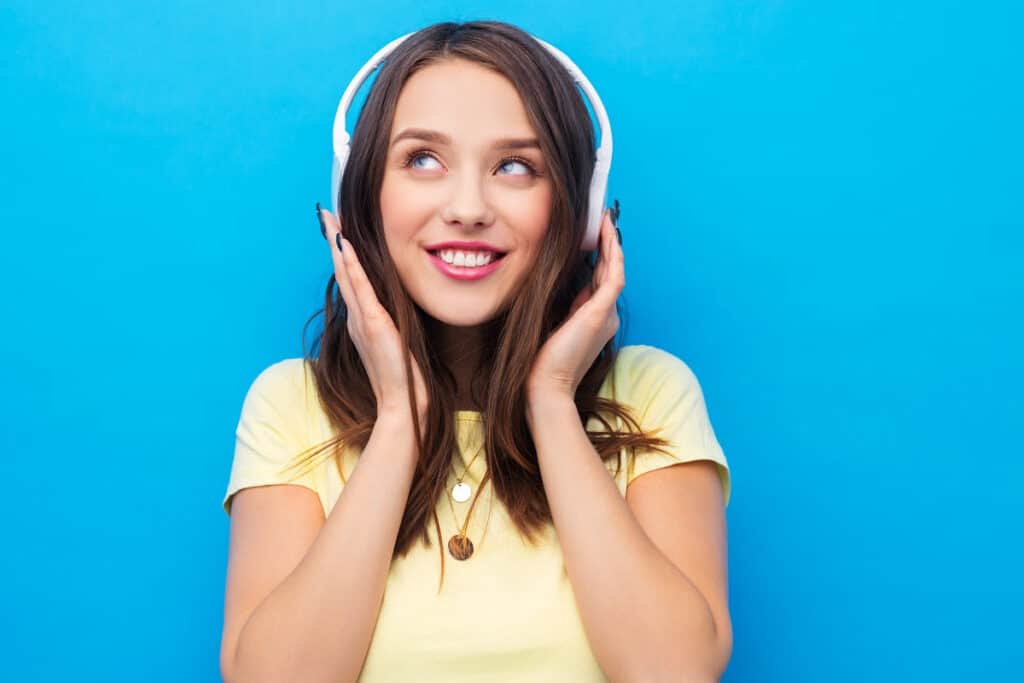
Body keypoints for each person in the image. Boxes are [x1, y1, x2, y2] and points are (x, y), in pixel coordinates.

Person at [219, 20, 732, 683]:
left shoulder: (653, 393)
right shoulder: (290, 405)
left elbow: (675, 673)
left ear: (579, 210)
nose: (468, 207)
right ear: (362, 192)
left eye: (515, 166)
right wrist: (400, 421)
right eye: (423, 159)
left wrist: (550, 400)